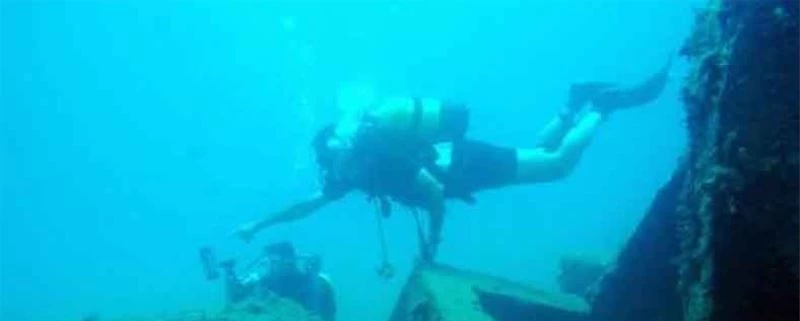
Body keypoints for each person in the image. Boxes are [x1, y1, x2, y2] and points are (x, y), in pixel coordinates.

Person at [235, 59, 672, 262]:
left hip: (465, 164)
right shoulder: (354, 169)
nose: (332, 174)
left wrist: (434, 241)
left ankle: (601, 107)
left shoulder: (377, 159)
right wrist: (259, 225)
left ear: (338, 151)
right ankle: (573, 103)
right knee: (540, 155)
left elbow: (430, 190)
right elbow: (307, 205)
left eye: (330, 163)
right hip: (462, 164)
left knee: (557, 165)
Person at [200, 242, 336, 321]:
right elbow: (235, 303)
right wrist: (229, 274)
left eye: (283, 260)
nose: (282, 265)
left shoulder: (315, 282)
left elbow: (326, 311)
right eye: (274, 261)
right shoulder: (260, 283)